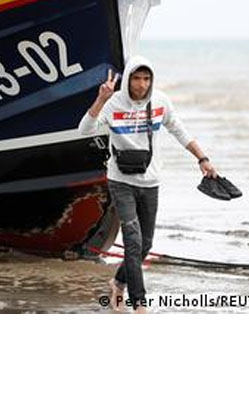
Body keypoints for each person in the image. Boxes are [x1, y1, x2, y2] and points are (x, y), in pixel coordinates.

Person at [79, 56, 219, 312]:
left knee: (146, 244)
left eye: (146, 79)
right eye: (136, 78)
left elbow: (180, 130)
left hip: (150, 181)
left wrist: (203, 158)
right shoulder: (113, 104)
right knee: (133, 241)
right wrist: (101, 99)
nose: (141, 84)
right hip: (121, 181)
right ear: (128, 78)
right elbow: (84, 130)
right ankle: (139, 303)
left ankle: (118, 281)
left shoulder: (161, 102)